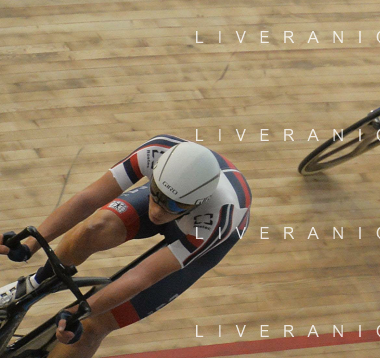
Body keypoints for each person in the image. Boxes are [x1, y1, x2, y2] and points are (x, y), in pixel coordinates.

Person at [0, 137, 250, 357]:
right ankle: (35, 282)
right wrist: (30, 244)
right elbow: (87, 199)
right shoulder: (156, 152)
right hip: (179, 199)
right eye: (155, 194)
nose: (157, 211)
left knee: (93, 324)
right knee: (93, 229)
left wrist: (79, 313)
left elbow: (140, 278)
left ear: (198, 202)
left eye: (172, 205)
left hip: (203, 236)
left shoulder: (219, 219)